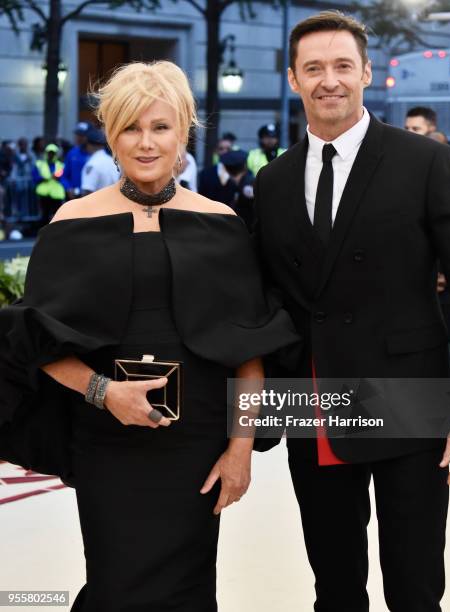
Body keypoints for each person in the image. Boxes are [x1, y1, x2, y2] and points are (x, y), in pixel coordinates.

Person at [0, 60, 298, 611]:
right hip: (108, 443)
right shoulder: (71, 222)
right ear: (111, 134)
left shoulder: (222, 223)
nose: (145, 142)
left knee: (187, 590)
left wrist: (240, 450)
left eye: (160, 127)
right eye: (130, 127)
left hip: (197, 447)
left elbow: (250, 350)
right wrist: (103, 392)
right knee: (117, 586)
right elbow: (35, 344)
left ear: (183, 131)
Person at [253, 11, 450, 612]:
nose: (330, 80)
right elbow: (265, 299)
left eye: (343, 66)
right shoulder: (272, 183)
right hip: (313, 400)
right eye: (315, 68)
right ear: (294, 78)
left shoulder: (425, 162)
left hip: (410, 398)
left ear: (367, 74)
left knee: (415, 585)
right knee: (334, 583)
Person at [199, 149, 255, 231]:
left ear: (226, 169)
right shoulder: (246, 180)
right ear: (245, 166)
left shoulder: (246, 185)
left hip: (244, 230)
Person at [32, 143, 67, 226]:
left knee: (57, 216)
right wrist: (44, 178)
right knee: (44, 216)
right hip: (44, 194)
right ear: (46, 153)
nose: (51, 155)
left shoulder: (61, 165)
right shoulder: (39, 164)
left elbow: (65, 178)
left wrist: (58, 178)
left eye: (53, 153)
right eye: (49, 153)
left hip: (57, 194)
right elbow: (35, 177)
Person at [80, 127, 119, 195]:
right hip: (114, 202)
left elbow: (88, 191)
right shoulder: (112, 161)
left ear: (89, 145)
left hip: (96, 204)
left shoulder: (92, 164)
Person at [63, 122, 91, 199]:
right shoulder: (72, 153)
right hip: (74, 196)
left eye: (82, 135)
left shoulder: (95, 154)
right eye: (77, 135)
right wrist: (68, 188)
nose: (79, 138)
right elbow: (64, 175)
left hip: (91, 195)